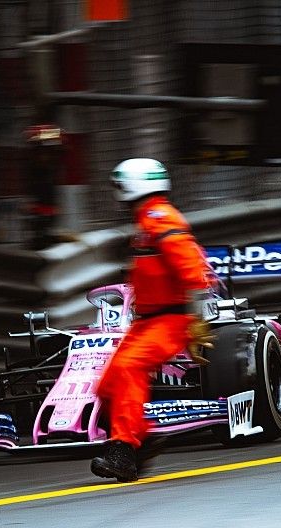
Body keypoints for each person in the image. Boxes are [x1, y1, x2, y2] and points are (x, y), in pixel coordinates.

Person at [91, 158, 215, 482]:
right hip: (146, 321)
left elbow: (194, 269)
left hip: (171, 320)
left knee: (131, 368)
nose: (117, 192)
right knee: (107, 385)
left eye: (120, 185)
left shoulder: (160, 218)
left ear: (134, 184)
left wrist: (198, 321)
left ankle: (124, 451)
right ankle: (143, 440)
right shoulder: (147, 220)